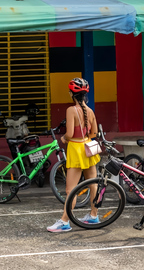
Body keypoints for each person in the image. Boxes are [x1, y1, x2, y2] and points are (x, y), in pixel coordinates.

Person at [47, 78, 101, 232]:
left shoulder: (71, 110)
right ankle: (94, 215)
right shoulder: (90, 111)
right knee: (93, 185)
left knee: (70, 190)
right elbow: (94, 133)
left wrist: (64, 138)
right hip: (88, 150)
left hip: (76, 150)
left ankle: (65, 221)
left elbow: (70, 133)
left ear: (71, 93)